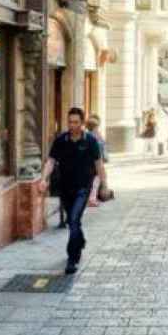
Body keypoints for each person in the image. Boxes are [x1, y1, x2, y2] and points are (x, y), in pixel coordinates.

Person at [39, 107, 104, 275]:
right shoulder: (61, 140)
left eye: (76, 122)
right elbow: (51, 161)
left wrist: (103, 186)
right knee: (73, 222)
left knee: (74, 220)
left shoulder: (90, 141)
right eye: (70, 122)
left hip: (83, 188)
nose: (72, 125)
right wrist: (44, 179)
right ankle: (80, 240)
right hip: (65, 188)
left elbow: (99, 165)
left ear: (82, 123)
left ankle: (72, 258)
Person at [86, 114, 112, 205]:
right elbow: (102, 149)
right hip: (96, 162)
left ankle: (89, 198)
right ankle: (92, 199)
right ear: (95, 127)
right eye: (97, 127)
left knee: (91, 180)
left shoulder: (86, 135)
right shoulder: (96, 137)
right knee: (96, 180)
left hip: (89, 162)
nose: (98, 128)